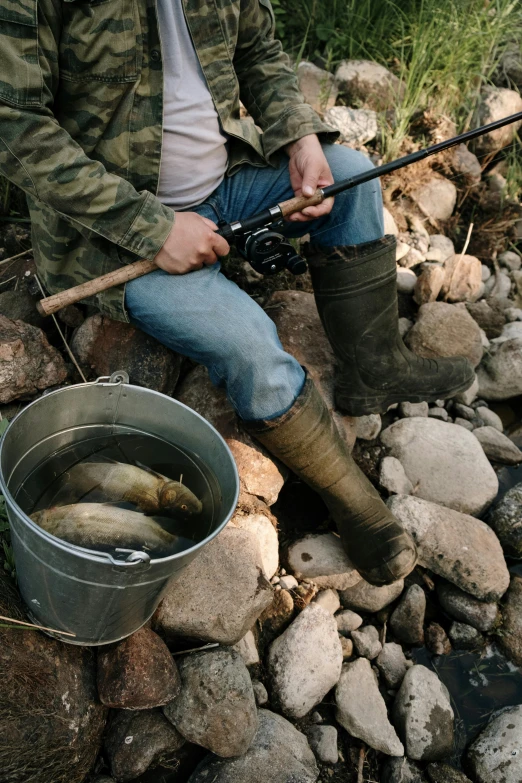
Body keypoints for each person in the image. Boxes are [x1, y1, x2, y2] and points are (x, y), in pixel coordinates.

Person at [0, 0, 474, 585]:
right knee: (251, 344)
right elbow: (16, 125)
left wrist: (300, 138)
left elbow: (258, 51)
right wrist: (156, 228)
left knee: (351, 173)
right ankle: (354, 501)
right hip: (114, 240)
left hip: (230, 185)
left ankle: (374, 367)